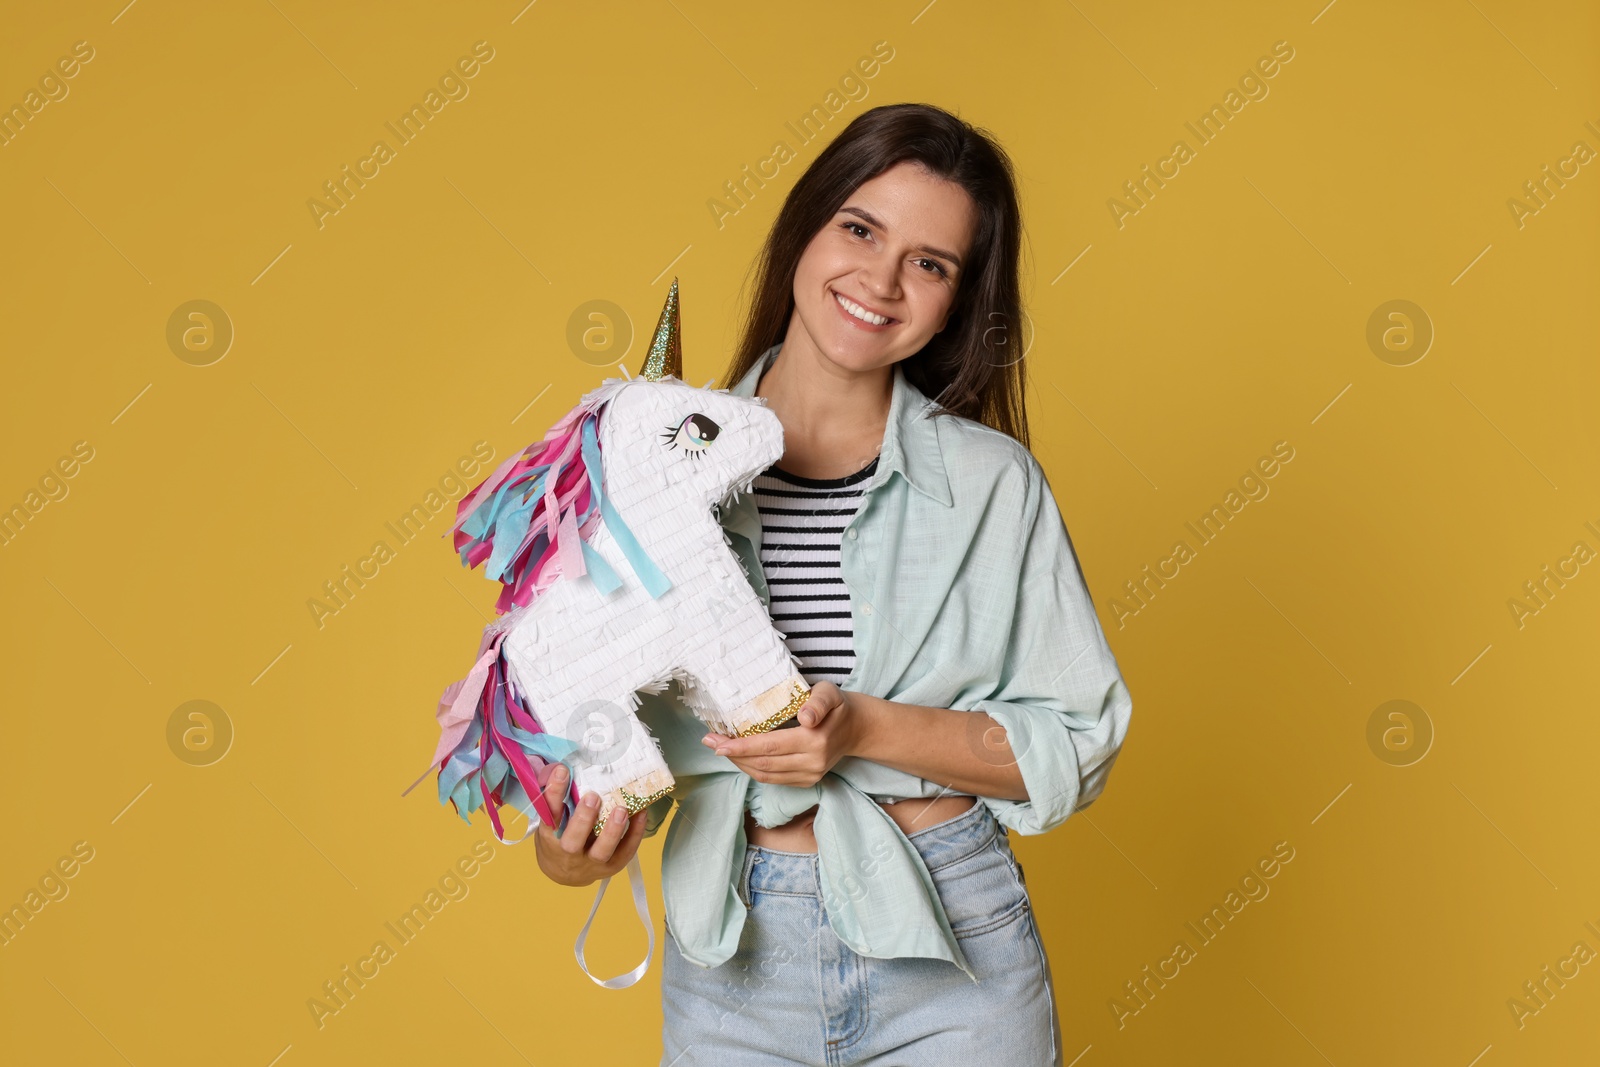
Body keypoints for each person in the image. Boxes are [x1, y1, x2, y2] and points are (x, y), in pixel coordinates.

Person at [532, 102, 1133, 1066]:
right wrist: (570, 848)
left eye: (930, 263)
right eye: (861, 229)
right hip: (733, 959)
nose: (882, 280)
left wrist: (859, 730)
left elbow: (1076, 741)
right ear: (805, 230)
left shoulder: (991, 485)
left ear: (956, 298)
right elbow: (608, 717)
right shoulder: (647, 466)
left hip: (954, 945)